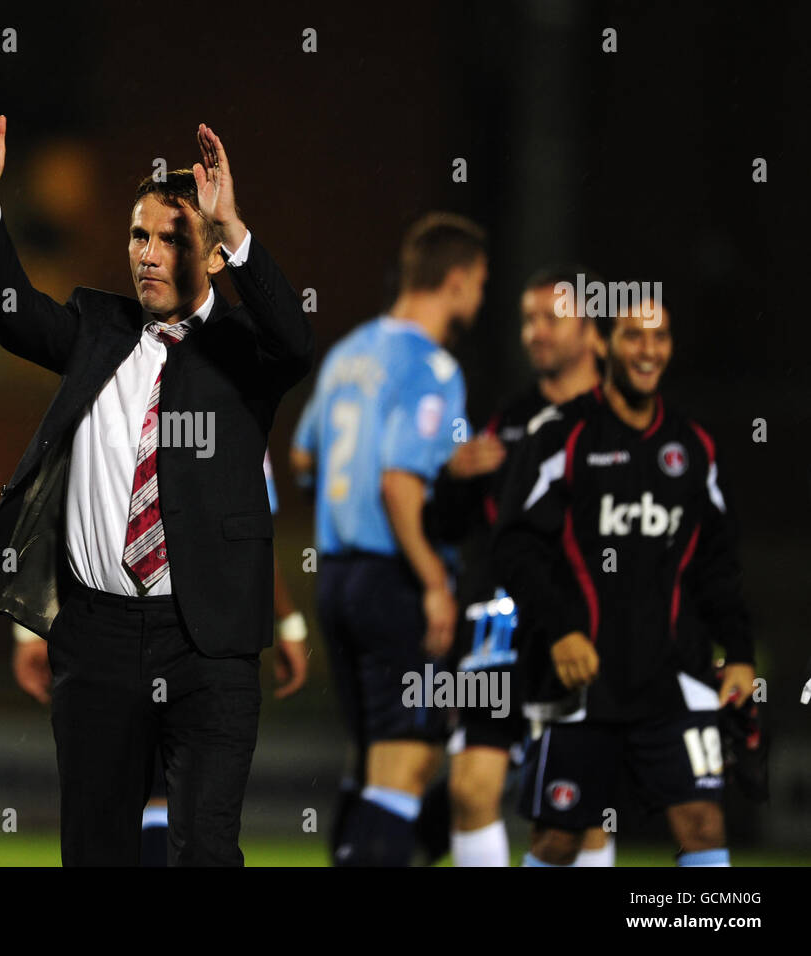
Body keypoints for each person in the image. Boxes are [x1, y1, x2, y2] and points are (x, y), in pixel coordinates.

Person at [0, 100, 313, 865]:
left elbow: (296, 338)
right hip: (98, 637)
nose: (147, 254)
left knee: (206, 850)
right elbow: (12, 313)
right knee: (95, 850)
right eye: (138, 236)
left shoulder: (245, 353)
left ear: (213, 254)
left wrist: (235, 225)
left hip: (207, 640)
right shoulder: (97, 326)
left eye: (171, 239)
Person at [494, 295, 754, 867]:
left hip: (675, 676)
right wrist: (561, 630)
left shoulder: (694, 446)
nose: (649, 350)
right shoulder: (561, 435)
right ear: (605, 344)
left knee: (703, 825)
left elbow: (718, 563)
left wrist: (738, 651)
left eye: (659, 338)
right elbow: (514, 548)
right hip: (583, 682)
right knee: (559, 840)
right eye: (634, 336)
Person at [291, 213, 487, 866]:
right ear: (456, 281)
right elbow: (400, 486)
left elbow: (303, 458)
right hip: (392, 577)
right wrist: (434, 581)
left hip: (339, 580)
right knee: (407, 766)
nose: (479, 300)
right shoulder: (432, 366)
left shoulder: (351, 351)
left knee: (374, 761)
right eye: (479, 283)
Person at [11, 451, 309, 865]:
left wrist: (288, 621)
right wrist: (30, 623)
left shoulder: (228, 405)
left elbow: (251, 525)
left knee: (196, 809)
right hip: (109, 619)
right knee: (119, 806)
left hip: (199, 628)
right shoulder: (100, 392)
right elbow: (58, 499)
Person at [423, 266, 613, 866]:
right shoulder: (506, 421)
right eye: (528, 320)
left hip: (580, 627)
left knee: (578, 814)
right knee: (471, 788)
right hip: (497, 629)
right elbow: (452, 526)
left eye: (551, 319)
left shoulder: (617, 423)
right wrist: (453, 480)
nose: (535, 332)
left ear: (593, 333)